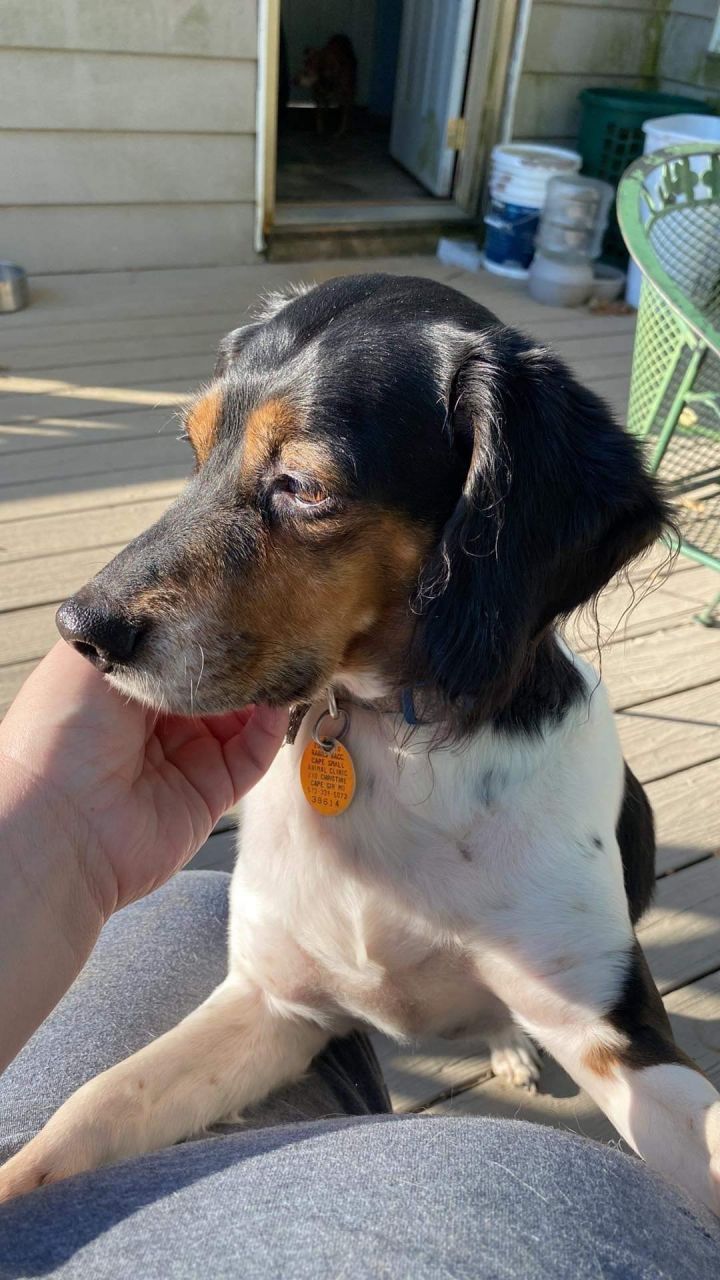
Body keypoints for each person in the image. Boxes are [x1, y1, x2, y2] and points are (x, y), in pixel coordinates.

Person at [0, 643, 718, 1278]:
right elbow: (270, 1005)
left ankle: (509, 1016)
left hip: (509, 752)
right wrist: (45, 1167)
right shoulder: (296, 725)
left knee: (197, 903)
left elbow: (622, 1050)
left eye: (304, 490)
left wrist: (57, 836)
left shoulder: (567, 752)